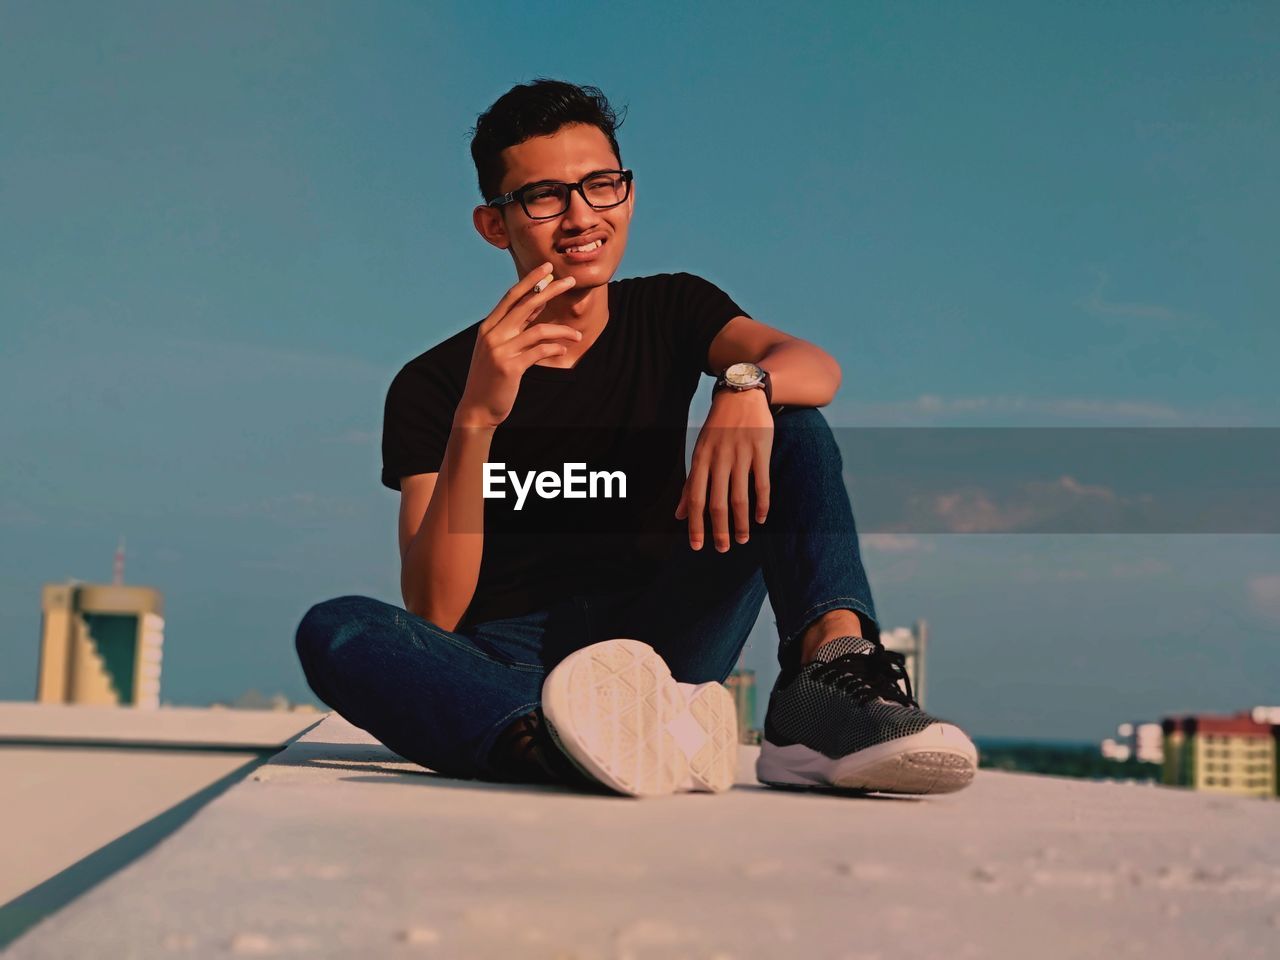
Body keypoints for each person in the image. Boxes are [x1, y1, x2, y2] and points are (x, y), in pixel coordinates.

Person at [295, 78, 978, 798]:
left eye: (601, 185)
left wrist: (746, 386)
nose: (581, 215)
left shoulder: (671, 308)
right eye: (544, 196)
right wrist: (477, 418)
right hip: (510, 659)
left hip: (666, 640)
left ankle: (823, 692)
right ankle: (558, 741)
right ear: (495, 225)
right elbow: (435, 611)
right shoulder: (433, 383)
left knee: (792, 425)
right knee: (337, 630)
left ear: (628, 192)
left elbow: (815, 367)